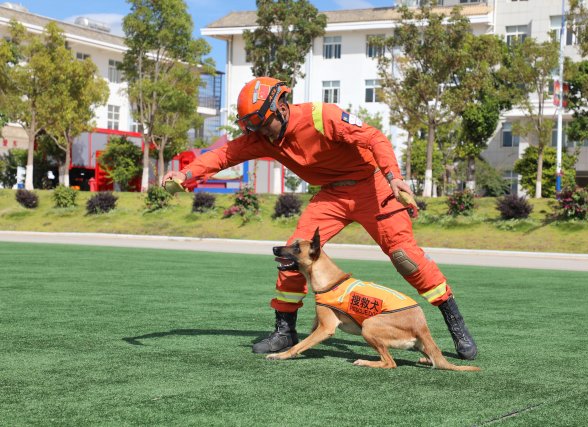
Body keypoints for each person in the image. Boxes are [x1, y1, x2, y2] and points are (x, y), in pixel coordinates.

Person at [162, 76, 477, 360]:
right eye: (253, 127)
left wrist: (393, 176)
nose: (260, 133)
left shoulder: (322, 116)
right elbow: (223, 155)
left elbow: (374, 137)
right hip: (331, 195)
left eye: (263, 123)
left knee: (405, 257)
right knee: (291, 255)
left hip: (373, 186)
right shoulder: (263, 137)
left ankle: (455, 324)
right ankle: (285, 331)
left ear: (281, 107)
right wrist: (185, 173)